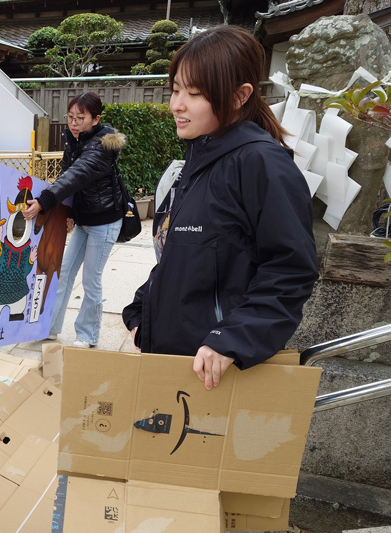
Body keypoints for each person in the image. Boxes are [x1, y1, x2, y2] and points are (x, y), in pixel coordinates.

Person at [121, 26, 319, 390]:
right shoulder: (199, 162)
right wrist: (141, 313)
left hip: (218, 373)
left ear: (240, 96)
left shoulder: (262, 164)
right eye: (176, 90)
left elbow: (290, 269)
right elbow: (185, 256)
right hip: (175, 363)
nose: (177, 105)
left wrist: (232, 339)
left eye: (194, 93)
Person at [23, 92, 126, 349]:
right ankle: (49, 327)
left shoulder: (102, 147)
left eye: (80, 118)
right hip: (84, 220)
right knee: (64, 272)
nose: (73, 123)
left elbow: (75, 176)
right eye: (70, 117)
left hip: (105, 222)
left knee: (91, 279)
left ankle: (87, 334)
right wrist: (69, 214)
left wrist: (44, 201)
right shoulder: (75, 140)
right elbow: (69, 181)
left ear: (96, 119)